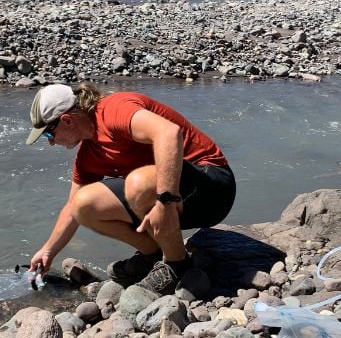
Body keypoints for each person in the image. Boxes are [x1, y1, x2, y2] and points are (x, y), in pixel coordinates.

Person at [25, 82, 236, 295]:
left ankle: (177, 265)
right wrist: (48, 250)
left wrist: (165, 204)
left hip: (213, 189)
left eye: (48, 135)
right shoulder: (88, 155)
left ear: (66, 120)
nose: (51, 143)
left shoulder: (114, 109)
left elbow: (169, 133)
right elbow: (72, 208)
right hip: (176, 200)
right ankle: (152, 254)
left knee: (137, 183)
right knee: (82, 205)